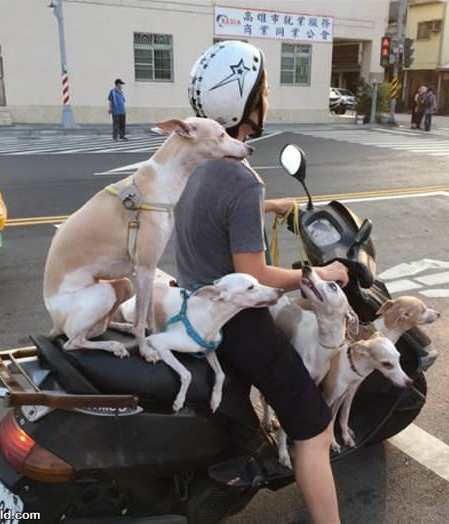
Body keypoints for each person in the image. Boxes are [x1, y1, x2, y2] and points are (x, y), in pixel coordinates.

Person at [177, 41, 348, 523]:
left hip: (198, 309)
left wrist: (266, 209)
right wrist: (323, 274)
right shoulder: (242, 179)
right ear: (245, 105)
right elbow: (253, 275)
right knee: (313, 430)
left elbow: (214, 218)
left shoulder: (195, 159)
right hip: (240, 326)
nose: (267, 99)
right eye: (264, 91)